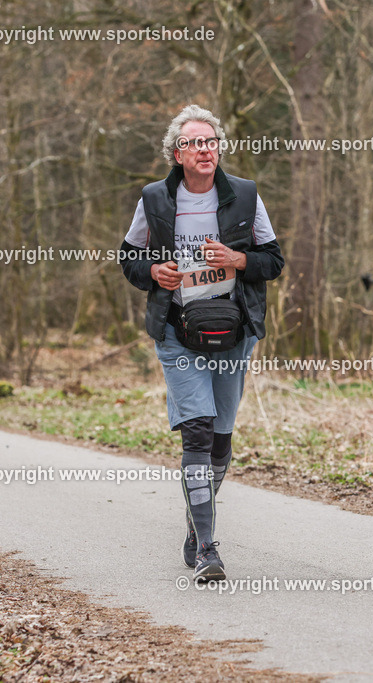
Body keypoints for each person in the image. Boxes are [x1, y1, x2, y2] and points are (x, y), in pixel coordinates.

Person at [120, 105, 284, 582]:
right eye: (195, 143)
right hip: (177, 331)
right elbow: (129, 259)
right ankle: (209, 548)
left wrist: (237, 259)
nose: (205, 149)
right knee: (197, 429)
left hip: (233, 333)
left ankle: (197, 519)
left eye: (211, 142)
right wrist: (153, 271)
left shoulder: (246, 197)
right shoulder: (154, 199)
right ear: (177, 153)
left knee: (221, 437)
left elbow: (273, 260)